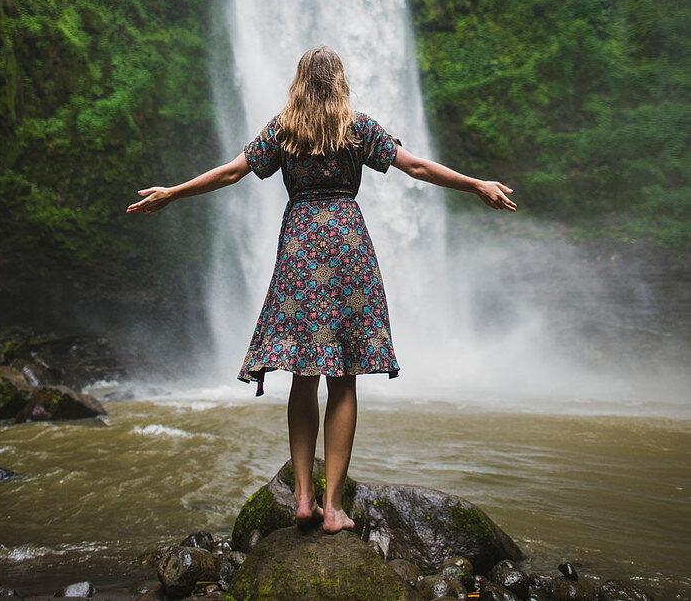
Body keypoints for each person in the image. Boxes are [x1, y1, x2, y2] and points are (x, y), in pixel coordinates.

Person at [127, 46, 516, 534]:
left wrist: (172, 194)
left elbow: (230, 172)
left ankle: (304, 501)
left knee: (303, 375)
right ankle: (334, 509)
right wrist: (475, 183)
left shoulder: (283, 129)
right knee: (344, 376)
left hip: (300, 244)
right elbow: (415, 167)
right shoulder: (358, 127)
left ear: (299, 82)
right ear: (339, 81)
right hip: (347, 245)